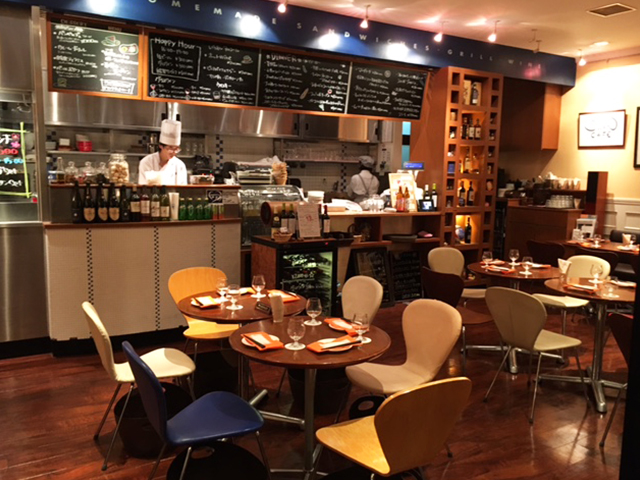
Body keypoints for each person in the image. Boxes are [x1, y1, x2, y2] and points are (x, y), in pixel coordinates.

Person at [138, 119, 188, 185]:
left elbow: (183, 188)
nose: (174, 152)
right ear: (161, 146)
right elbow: (143, 186)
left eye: (176, 149)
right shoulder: (147, 162)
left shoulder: (180, 165)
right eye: (170, 148)